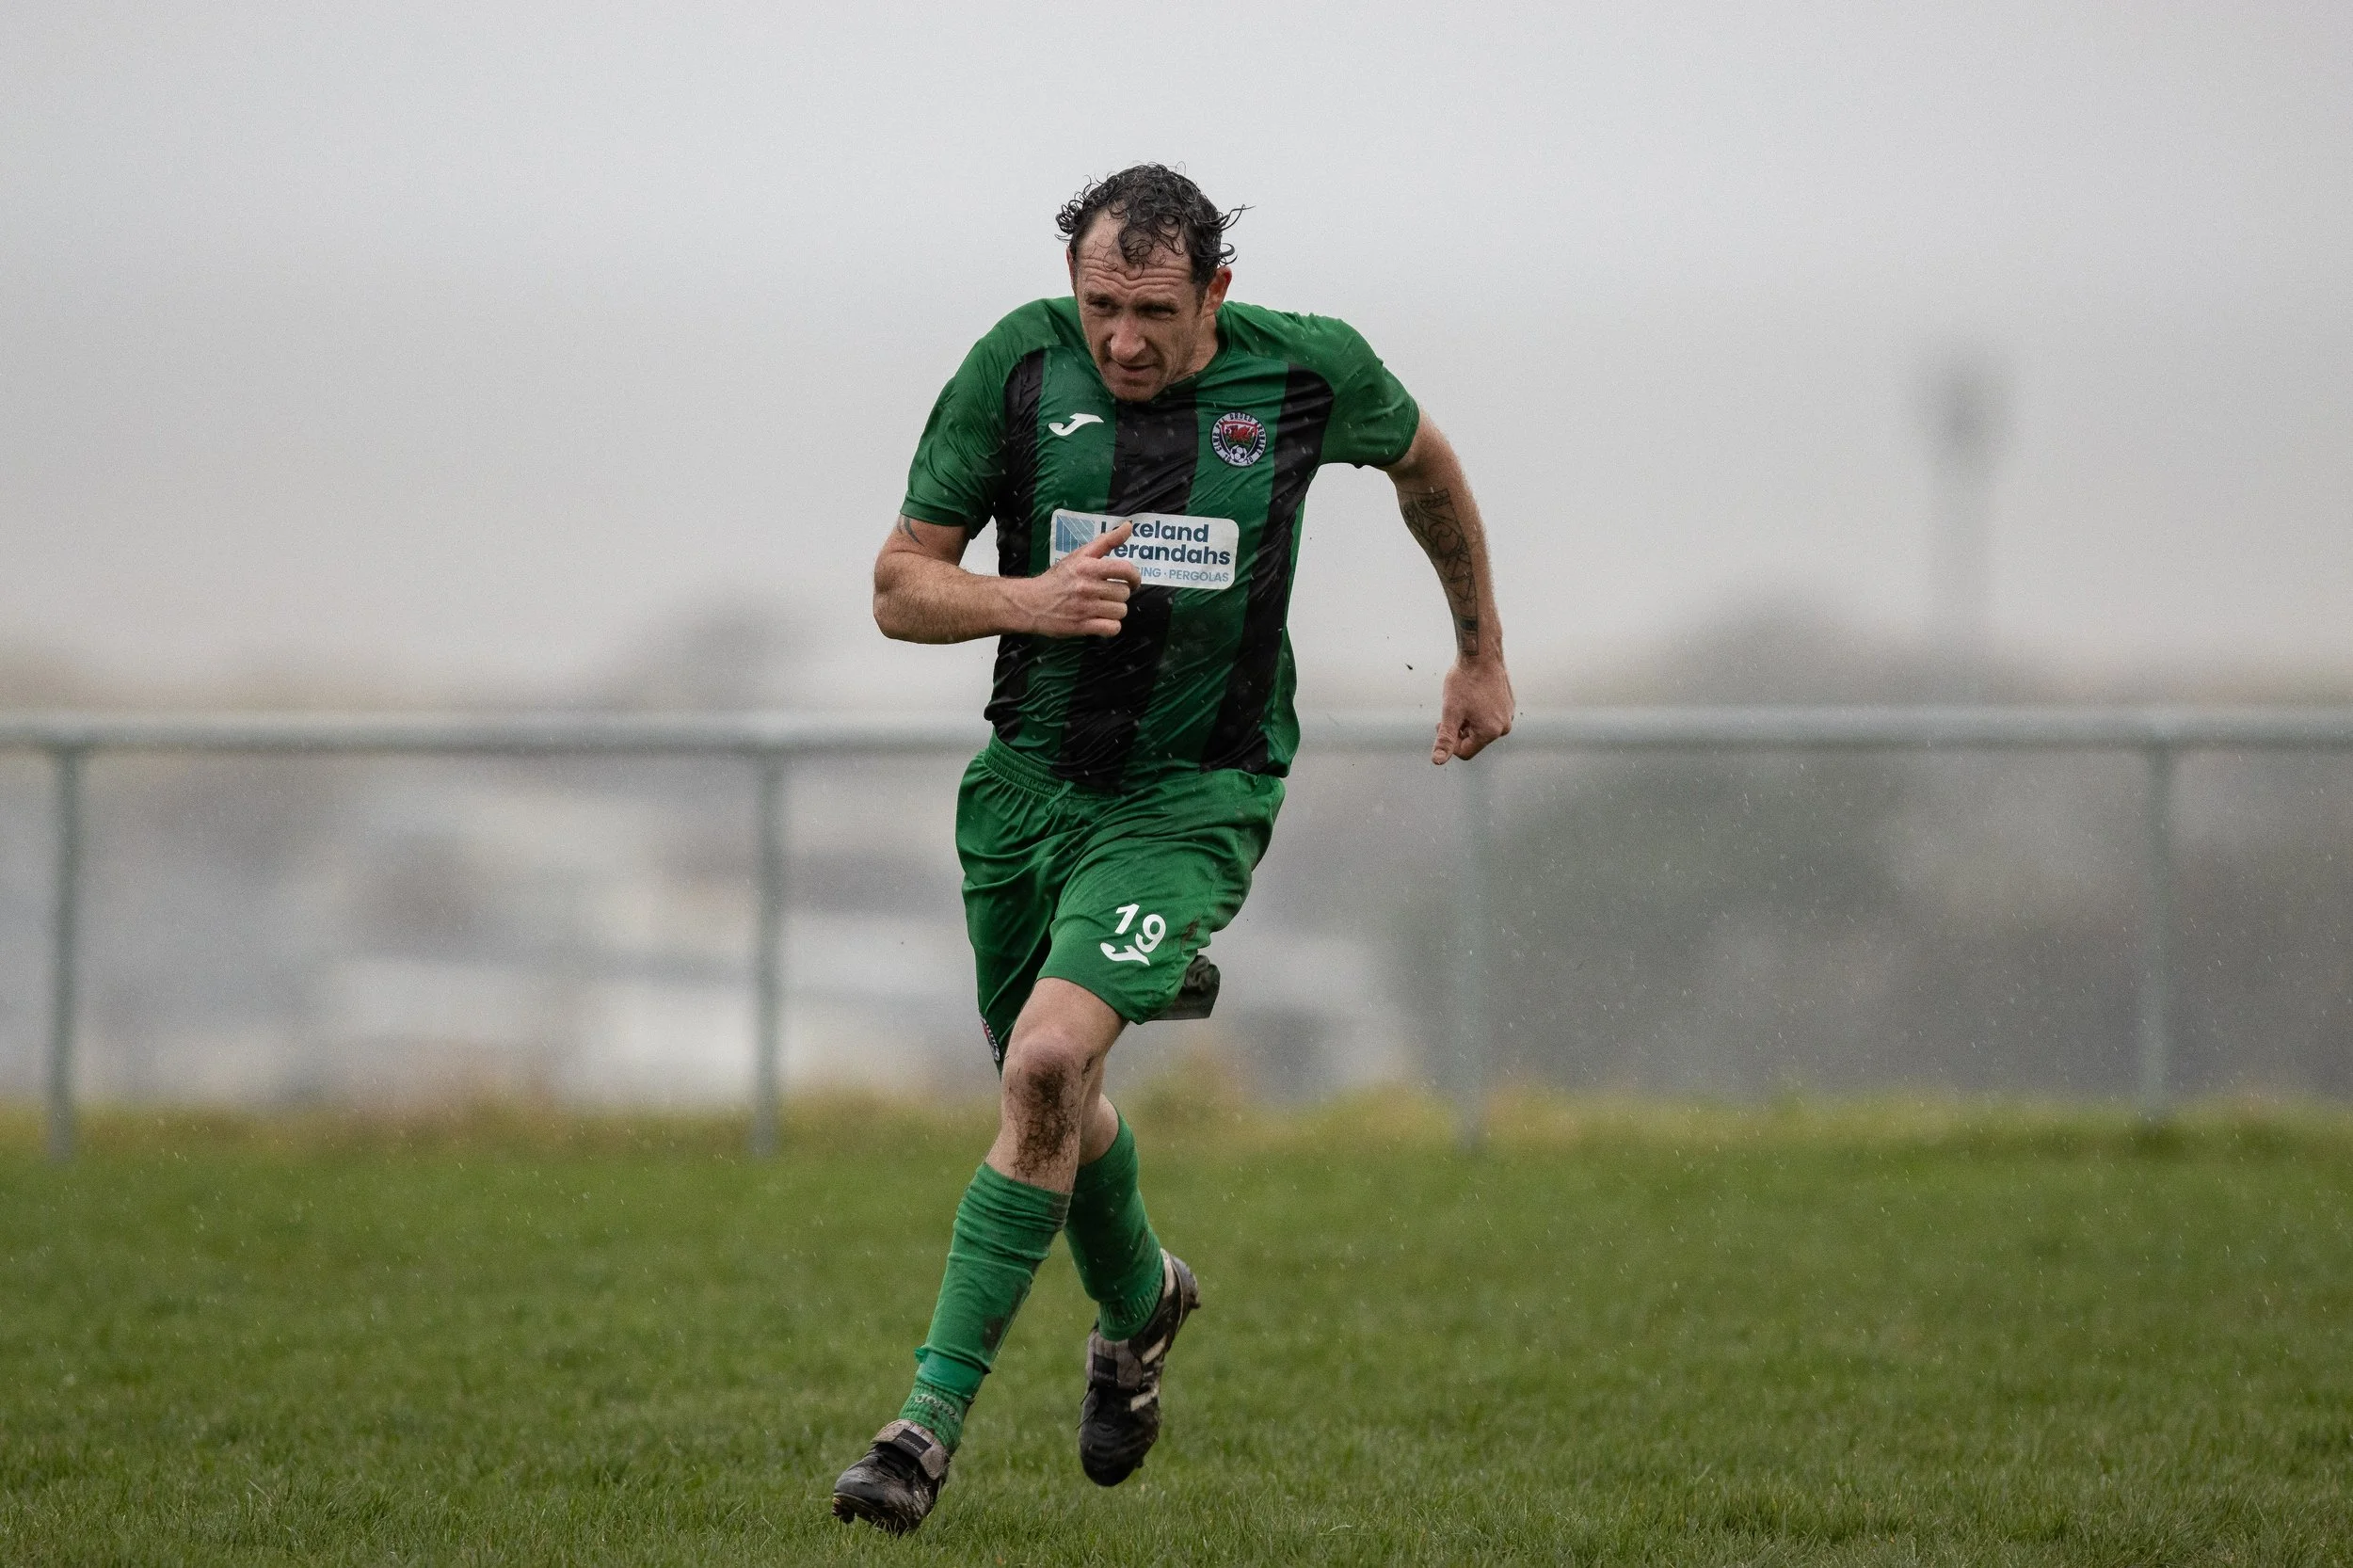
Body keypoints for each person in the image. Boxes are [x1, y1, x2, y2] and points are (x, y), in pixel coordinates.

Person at [829, 164, 1514, 1535]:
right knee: (1056, 1102)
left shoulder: (1309, 375)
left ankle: (921, 1428)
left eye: (1152, 309)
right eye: (1101, 307)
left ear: (1216, 292)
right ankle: (1142, 1305)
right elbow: (901, 585)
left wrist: (1479, 657)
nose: (1123, 340)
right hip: (1024, 796)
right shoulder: (1016, 369)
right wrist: (1031, 597)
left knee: (1042, 1061)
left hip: (1192, 796)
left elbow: (1428, 466)